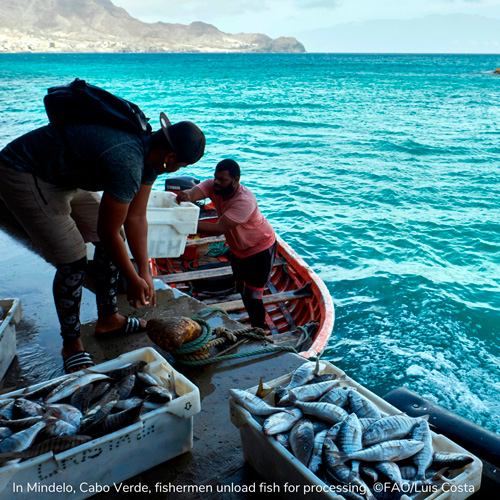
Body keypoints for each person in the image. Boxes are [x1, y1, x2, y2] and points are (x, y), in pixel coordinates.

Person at [0, 111, 205, 373]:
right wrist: (131, 278)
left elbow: (137, 216)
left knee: (116, 240)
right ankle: (71, 344)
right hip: (24, 170)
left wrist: (144, 271)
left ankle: (109, 319)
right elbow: (106, 231)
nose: (179, 171)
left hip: (63, 175)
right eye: (182, 166)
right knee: (73, 259)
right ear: (171, 158)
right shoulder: (128, 160)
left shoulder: (152, 156)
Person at [176, 159, 276, 330]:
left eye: (222, 179)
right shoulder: (213, 186)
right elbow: (193, 194)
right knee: (242, 289)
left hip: (259, 250)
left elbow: (218, 229)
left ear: (236, 180)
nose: (217, 182)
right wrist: (186, 195)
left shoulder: (244, 201)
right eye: (216, 178)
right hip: (238, 250)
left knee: (253, 295)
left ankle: (259, 331)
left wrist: (182, 224)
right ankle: (254, 323)